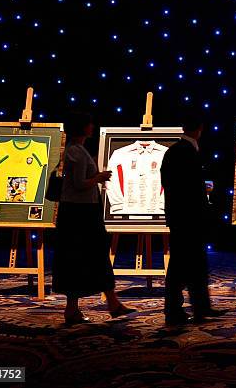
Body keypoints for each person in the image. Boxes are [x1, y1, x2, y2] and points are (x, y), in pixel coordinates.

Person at [53, 113, 135, 326]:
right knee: (84, 257)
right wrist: (98, 178)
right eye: (89, 123)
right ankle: (97, 305)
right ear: (84, 127)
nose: (92, 126)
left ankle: (109, 303)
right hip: (79, 214)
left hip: (82, 212)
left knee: (90, 257)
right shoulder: (75, 152)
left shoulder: (77, 150)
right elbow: (79, 184)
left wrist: (96, 176)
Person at [160, 119, 226, 325]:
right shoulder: (187, 152)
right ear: (199, 129)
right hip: (190, 218)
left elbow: (167, 183)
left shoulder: (172, 151)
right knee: (184, 265)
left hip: (179, 216)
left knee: (192, 264)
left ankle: (199, 307)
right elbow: (190, 188)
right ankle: (175, 310)